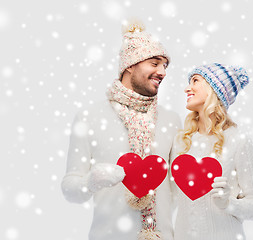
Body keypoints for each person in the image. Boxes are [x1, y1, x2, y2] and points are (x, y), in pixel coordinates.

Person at [61, 20, 181, 240]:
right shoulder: (89, 118)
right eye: (155, 63)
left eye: (165, 66)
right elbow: (70, 189)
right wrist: (90, 182)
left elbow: (180, 192)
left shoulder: (172, 121)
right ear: (130, 65)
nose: (162, 72)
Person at [171, 63, 253, 240]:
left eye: (195, 81)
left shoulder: (238, 141)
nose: (187, 88)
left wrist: (228, 203)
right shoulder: (180, 142)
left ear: (213, 89)